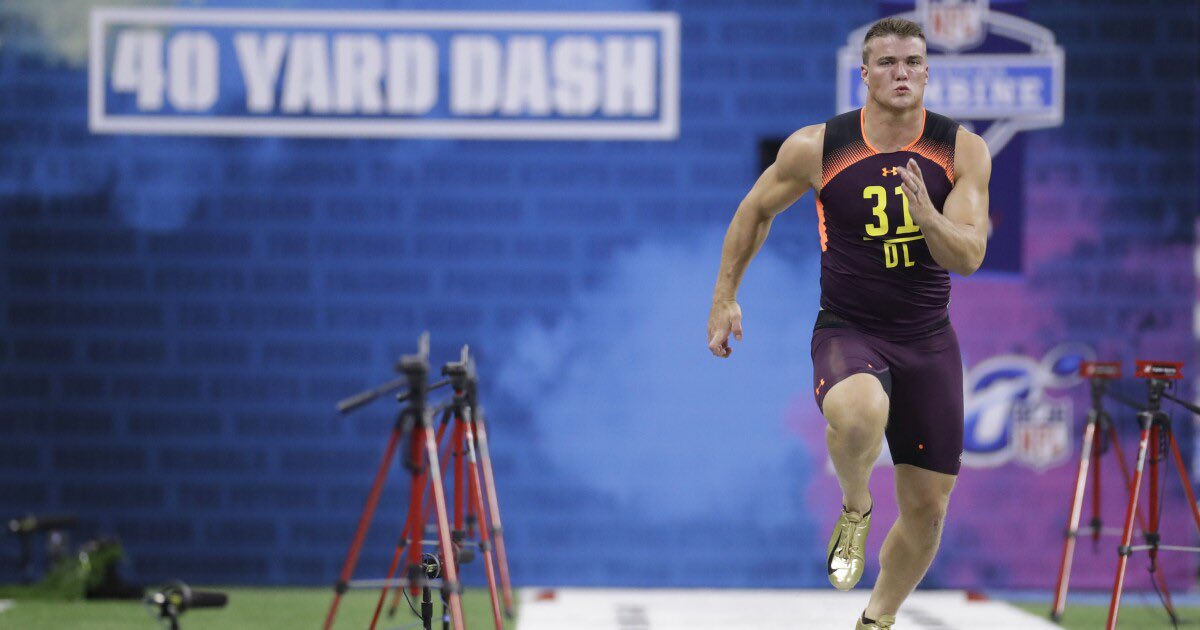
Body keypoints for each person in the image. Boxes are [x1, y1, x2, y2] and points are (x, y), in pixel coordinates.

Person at [706, 16, 992, 630]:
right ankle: (856, 507)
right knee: (860, 412)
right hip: (849, 327)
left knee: (926, 511)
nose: (901, 73)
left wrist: (928, 216)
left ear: (926, 71)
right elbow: (755, 210)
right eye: (887, 63)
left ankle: (876, 620)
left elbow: (967, 257)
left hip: (927, 339)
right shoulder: (819, 147)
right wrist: (725, 295)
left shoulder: (960, 150)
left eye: (913, 62)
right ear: (864, 74)